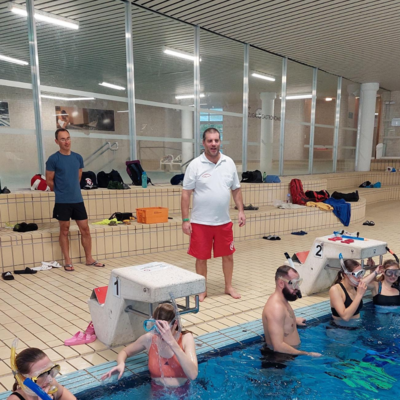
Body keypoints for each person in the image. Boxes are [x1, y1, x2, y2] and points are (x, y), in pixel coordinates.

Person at [181, 128, 246, 301]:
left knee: (228, 255)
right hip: (201, 222)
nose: (213, 144)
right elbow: (186, 193)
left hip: (223, 222)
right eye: (209, 141)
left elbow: (236, 189)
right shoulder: (195, 165)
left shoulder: (229, 162)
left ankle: (228, 286)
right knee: (201, 258)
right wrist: (185, 220)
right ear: (203, 143)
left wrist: (241, 211)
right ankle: (202, 289)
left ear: (220, 142)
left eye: (216, 140)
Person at [46, 128, 104, 272]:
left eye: (68, 138)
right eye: (63, 139)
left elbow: (78, 178)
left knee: (85, 229)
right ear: (56, 141)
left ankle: (89, 258)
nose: (66, 142)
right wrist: (61, 192)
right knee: (64, 230)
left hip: (77, 199)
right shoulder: (53, 159)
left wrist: (72, 190)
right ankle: (67, 260)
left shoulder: (78, 157)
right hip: (62, 201)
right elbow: (49, 181)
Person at [101, 303, 198, 389]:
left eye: (163, 328)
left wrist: (172, 342)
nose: (160, 333)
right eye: (157, 327)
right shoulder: (149, 339)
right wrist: (121, 364)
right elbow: (124, 352)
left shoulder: (186, 338)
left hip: (182, 392)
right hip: (157, 393)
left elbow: (193, 374)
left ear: (175, 323)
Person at [262, 265, 321, 359]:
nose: (297, 288)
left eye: (298, 283)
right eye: (293, 284)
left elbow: (281, 320)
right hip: (278, 361)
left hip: (288, 355)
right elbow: (278, 346)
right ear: (281, 283)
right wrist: (307, 354)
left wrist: (293, 321)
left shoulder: (282, 300)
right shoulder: (276, 308)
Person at [9, 342, 76, 400]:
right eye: (41, 375)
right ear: (23, 378)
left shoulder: (51, 384)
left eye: (50, 371)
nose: (49, 379)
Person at [329, 258, 380, 324]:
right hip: (340, 330)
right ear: (345, 275)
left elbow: (367, 280)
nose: (360, 278)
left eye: (361, 274)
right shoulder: (335, 290)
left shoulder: (355, 284)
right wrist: (359, 295)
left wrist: (375, 271)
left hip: (356, 327)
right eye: (357, 275)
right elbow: (345, 317)